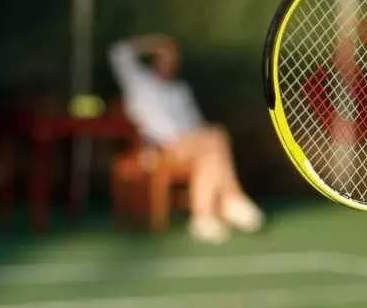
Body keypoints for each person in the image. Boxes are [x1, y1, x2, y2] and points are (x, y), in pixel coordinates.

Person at [108, 34, 264, 243]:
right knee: (215, 140)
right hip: (155, 151)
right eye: (164, 57)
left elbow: (197, 126)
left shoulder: (181, 90)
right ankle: (231, 198)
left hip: (189, 148)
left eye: (173, 58)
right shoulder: (139, 82)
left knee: (212, 153)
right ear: (155, 59)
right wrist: (157, 43)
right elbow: (118, 52)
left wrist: (201, 138)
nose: (169, 62)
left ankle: (204, 217)